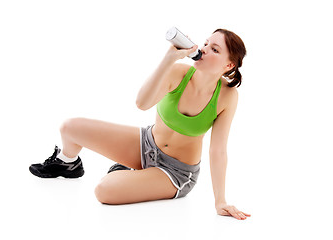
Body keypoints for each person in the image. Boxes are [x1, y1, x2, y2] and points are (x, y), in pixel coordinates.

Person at [29, 29, 251, 220]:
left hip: (175, 172)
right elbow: (141, 103)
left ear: (229, 64)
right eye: (205, 43)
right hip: (147, 143)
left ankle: (132, 173)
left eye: (214, 49)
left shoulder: (227, 96)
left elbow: (218, 150)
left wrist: (220, 201)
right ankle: (67, 163)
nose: (204, 49)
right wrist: (168, 59)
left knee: (104, 191)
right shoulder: (179, 73)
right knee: (69, 127)